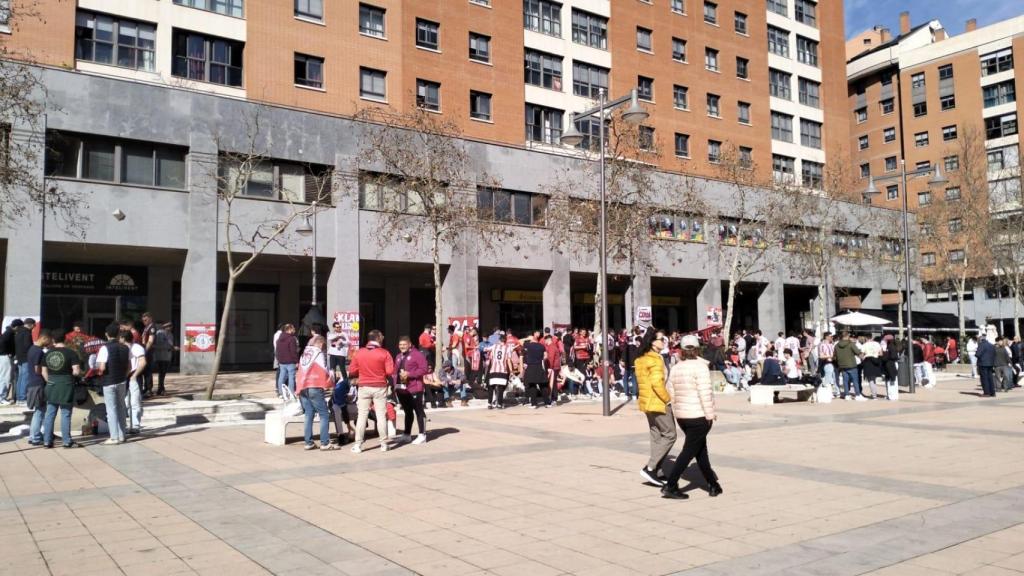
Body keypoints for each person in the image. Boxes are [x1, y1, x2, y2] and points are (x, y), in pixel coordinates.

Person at [661, 335, 722, 500]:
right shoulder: (700, 367)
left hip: (682, 416)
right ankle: (671, 485)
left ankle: (713, 484)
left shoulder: (676, 368)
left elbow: (671, 392)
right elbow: (705, 393)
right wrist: (710, 415)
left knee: (700, 451)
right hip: (698, 415)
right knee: (688, 452)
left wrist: (677, 411)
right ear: (697, 349)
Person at [635, 328, 675, 486]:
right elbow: (657, 384)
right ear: (652, 342)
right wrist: (668, 399)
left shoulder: (641, 359)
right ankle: (650, 467)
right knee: (670, 434)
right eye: (660, 339)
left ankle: (657, 471)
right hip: (658, 402)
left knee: (657, 436)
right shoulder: (655, 359)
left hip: (647, 402)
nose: (663, 341)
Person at [348, 329, 395, 453]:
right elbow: (390, 371)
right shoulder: (385, 353)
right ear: (378, 338)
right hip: (380, 386)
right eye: (382, 336)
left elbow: (352, 370)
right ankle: (384, 444)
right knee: (380, 415)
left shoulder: (359, 353)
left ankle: (358, 444)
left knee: (362, 415)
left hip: (364, 386)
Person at [41, 330, 82, 449]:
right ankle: (66, 441)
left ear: (53, 340)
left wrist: (50, 381)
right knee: (65, 413)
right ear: (65, 339)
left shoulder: (47, 353)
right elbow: (76, 371)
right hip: (66, 383)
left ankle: (47, 441)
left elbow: (43, 371)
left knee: (50, 413)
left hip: (51, 383)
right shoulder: (71, 353)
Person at [296, 334, 335, 450]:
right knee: (324, 414)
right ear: (321, 344)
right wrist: (332, 377)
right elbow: (324, 371)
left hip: (303, 386)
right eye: (324, 347)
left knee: (308, 414)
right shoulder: (318, 353)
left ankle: (308, 442)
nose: (324, 350)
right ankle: (325, 443)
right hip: (314, 386)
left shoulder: (304, 353)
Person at [96, 323, 130, 445]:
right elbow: (129, 366)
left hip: (109, 381)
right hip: (122, 381)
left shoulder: (104, 348)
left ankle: (114, 437)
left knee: (111, 409)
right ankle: (122, 435)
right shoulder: (125, 347)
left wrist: (98, 370)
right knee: (121, 407)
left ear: (106, 334)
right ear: (118, 334)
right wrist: (124, 376)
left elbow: (102, 367)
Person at [394, 336, 429, 445]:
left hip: (415, 388)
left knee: (418, 411)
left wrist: (410, 374)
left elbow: (424, 369)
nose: (402, 347)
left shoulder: (417, 354)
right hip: (402, 389)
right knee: (407, 412)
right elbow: (395, 371)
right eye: (400, 345)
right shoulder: (398, 356)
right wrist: (395, 384)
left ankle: (422, 434)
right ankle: (407, 434)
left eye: (404, 344)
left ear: (409, 344)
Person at [25, 333, 51, 446]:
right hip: (38, 383)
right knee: (40, 411)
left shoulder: (32, 349)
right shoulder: (38, 351)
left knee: (38, 411)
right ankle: (35, 437)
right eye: (48, 341)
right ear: (43, 338)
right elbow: (37, 369)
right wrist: (46, 377)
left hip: (32, 382)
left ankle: (33, 435)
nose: (48, 343)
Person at [122, 331, 146, 435]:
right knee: (126, 402)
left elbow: (142, 362)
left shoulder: (137, 348)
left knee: (135, 402)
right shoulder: (122, 348)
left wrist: (135, 375)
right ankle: (127, 425)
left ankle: (135, 426)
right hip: (126, 377)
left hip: (134, 376)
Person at [834, 332, 865, 401]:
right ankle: (857, 395)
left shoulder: (836, 345)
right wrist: (863, 356)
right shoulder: (851, 344)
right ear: (847, 336)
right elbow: (858, 353)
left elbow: (835, 355)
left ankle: (847, 395)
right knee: (855, 380)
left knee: (845, 380)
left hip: (842, 365)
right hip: (851, 364)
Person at [522, 331, 549, 409]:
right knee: (543, 385)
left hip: (531, 366)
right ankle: (547, 403)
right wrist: (540, 359)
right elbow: (546, 356)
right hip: (539, 366)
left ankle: (534, 404)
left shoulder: (529, 345)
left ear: (531, 339)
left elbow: (519, 341)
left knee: (532, 385)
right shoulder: (541, 346)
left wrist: (527, 338)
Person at [13, 318, 36, 405]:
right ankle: (22, 398)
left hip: (19, 358)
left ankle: (19, 398)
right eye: (34, 325)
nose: (34, 328)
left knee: (20, 378)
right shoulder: (26, 332)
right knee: (25, 378)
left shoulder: (18, 332)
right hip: (26, 357)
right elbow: (27, 345)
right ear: (30, 324)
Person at [487, 333, 512, 409]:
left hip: (493, 370)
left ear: (499, 340)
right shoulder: (507, 348)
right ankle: (499, 404)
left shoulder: (494, 346)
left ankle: (490, 403)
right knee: (500, 388)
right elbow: (508, 360)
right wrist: (511, 370)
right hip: (502, 370)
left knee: (491, 387)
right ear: (505, 341)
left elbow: (490, 357)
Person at [275, 324, 299, 397]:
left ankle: (281, 393)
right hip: (290, 361)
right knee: (291, 377)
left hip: (282, 361)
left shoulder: (279, 339)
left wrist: (278, 359)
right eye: (293, 328)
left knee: (281, 376)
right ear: (289, 329)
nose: (294, 330)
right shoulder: (292, 339)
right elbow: (293, 351)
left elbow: (277, 350)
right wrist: (296, 361)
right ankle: (291, 392)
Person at [152, 322, 175, 395]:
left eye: (171, 326)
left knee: (163, 373)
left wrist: (172, 348)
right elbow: (158, 345)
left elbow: (170, 344)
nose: (170, 328)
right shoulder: (160, 333)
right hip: (160, 356)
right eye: (168, 326)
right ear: (165, 327)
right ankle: (161, 389)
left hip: (167, 356)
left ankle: (161, 388)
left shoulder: (171, 334)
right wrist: (171, 347)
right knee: (161, 373)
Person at [0, 320, 16, 405]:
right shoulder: (9, 334)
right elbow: (2, 343)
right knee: (5, 377)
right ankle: (1, 398)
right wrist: (9, 352)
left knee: (3, 377)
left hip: (3, 356)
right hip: (4, 356)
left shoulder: (7, 333)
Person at [140, 312, 156, 397]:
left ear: (150, 318)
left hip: (148, 352)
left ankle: (149, 389)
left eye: (146, 320)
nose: (144, 321)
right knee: (145, 371)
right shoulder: (146, 327)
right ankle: (146, 388)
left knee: (148, 371)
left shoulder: (152, 327)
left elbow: (150, 341)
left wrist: (144, 351)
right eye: (143, 320)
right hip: (145, 350)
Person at [818, 332, 836, 400]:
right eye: (831, 336)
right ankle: (827, 392)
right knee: (827, 378)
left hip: (832, 362)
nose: (832, 338)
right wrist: (831, 356)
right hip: (826, 362)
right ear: (826, 337)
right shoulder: (822, 345)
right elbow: (821, 356)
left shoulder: (832, 344)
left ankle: (830, 392)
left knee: (832, 378)